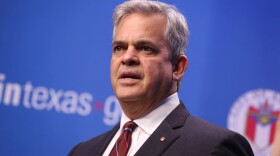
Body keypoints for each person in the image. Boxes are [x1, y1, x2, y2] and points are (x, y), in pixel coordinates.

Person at [68, 0, 254, 155]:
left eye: (145, 48)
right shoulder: (82, 151)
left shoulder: (213, 147)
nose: (127, 58)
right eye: (119, 48)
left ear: (177, 67)